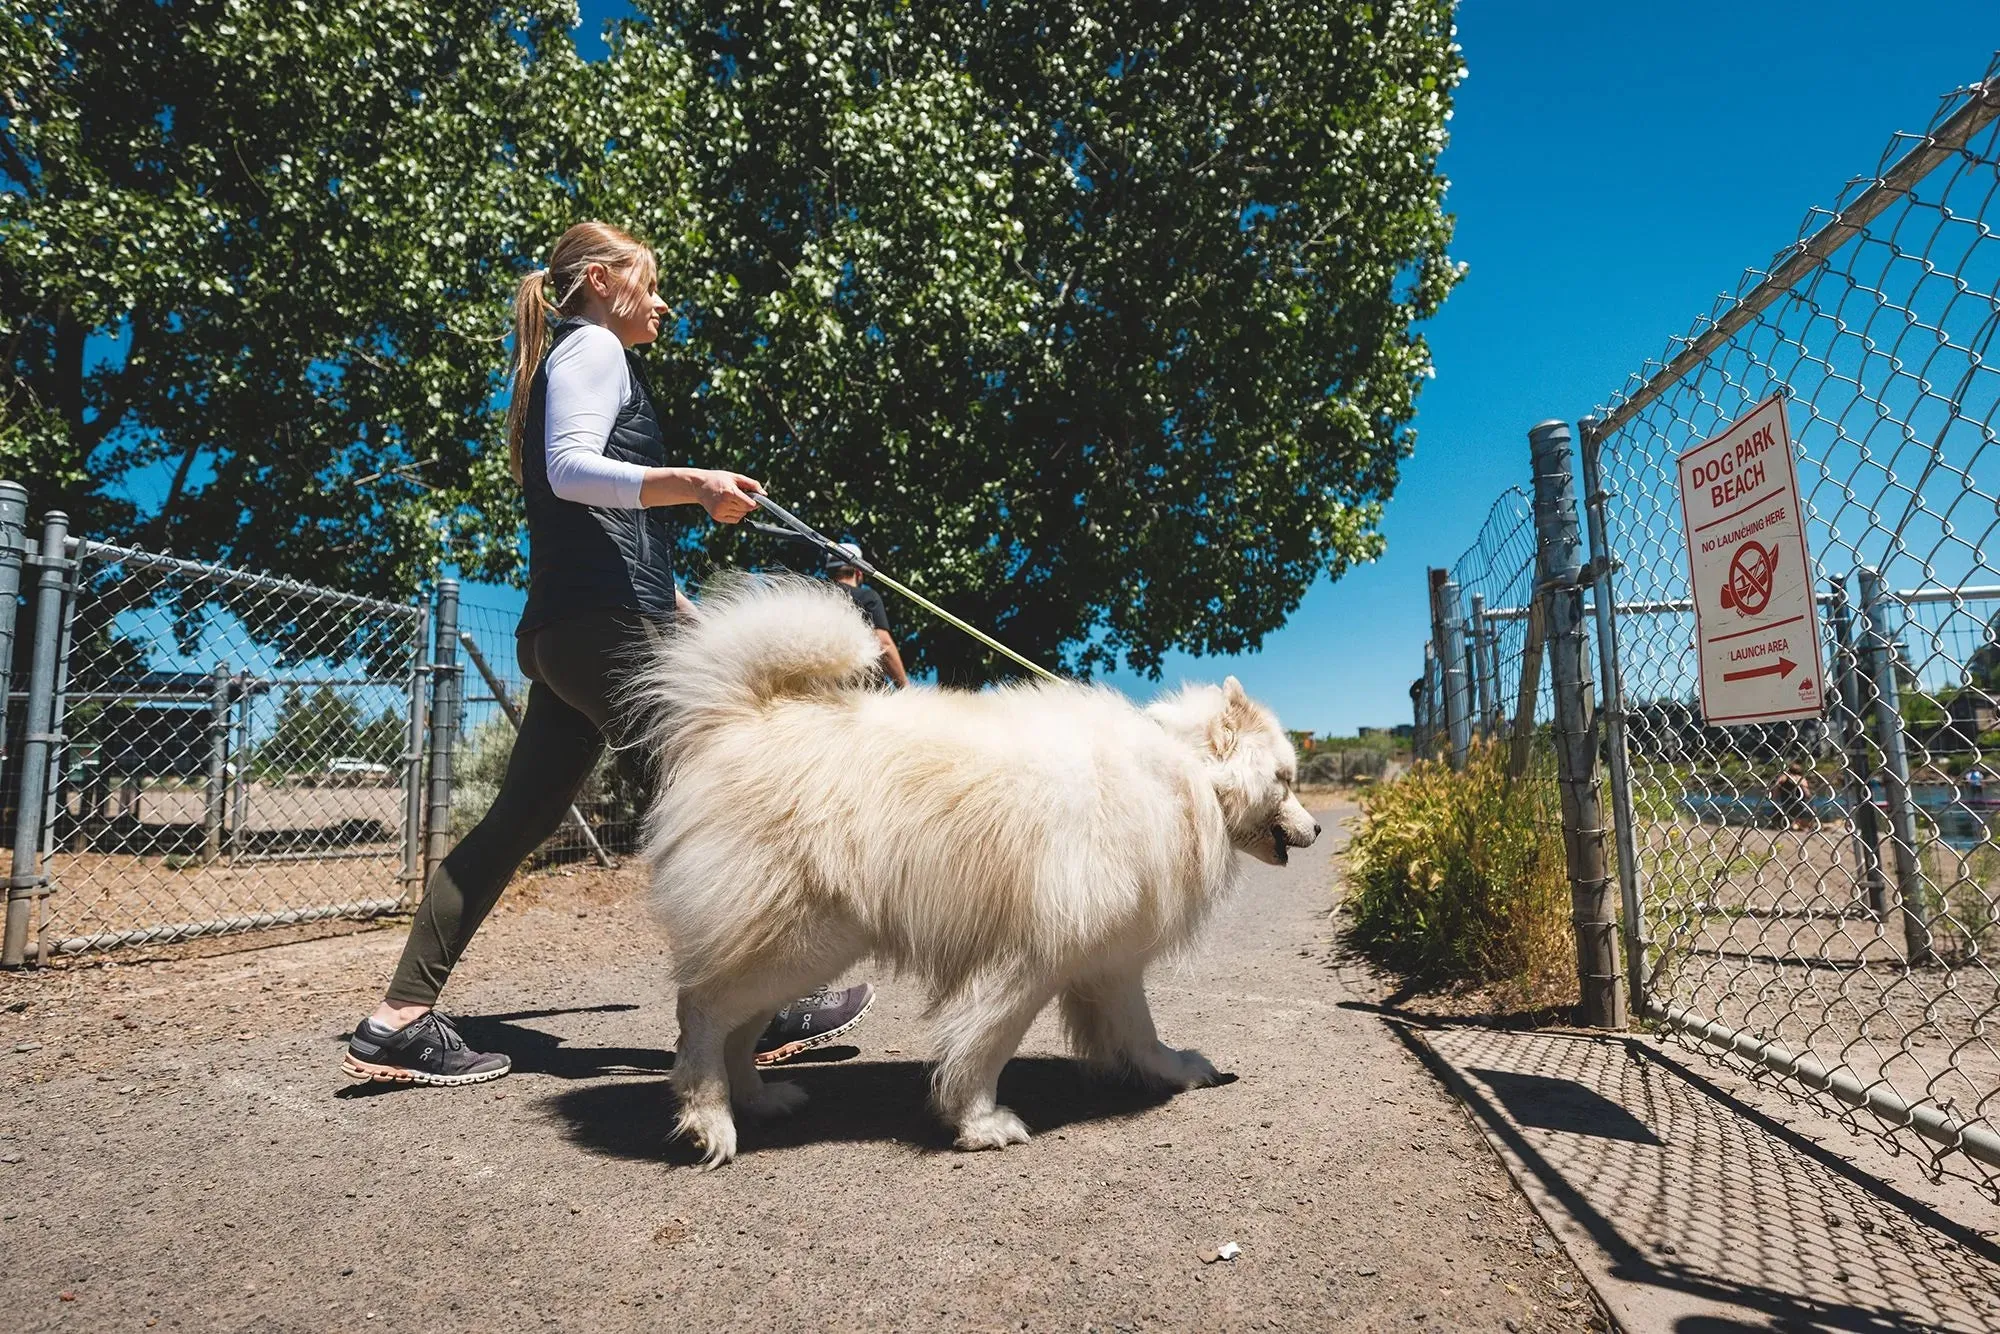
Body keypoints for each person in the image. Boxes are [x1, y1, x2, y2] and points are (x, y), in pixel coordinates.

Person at [343, 221, 870, 1086]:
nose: (662, 303)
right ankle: (755, 1013)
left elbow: (603, 524)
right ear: (599, 280)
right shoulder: (592, 348)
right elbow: (570, 470)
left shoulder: (573, 355)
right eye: (649, 283)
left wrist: (686, 610)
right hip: (605, 633)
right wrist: (693, 485)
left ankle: (396, 1020)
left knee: (517, 820)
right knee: (722, 808)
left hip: (567, 634)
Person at [825, 541, 910, 688]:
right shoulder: (867, 597)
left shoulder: (816, 599)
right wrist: (906, 688)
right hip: (860, 691)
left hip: (821, 690)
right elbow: (883, 644)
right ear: (859, 572)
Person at [1770, 760, 1815, 832]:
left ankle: (1789, 825)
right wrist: (1810, 798)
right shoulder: (1801, 779)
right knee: (1804, 813)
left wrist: (1774, 798)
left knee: (1787, 816)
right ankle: (1799, 825)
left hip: (1785, 803)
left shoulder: (1784, 778)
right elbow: (1806, 792)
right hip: (1799, 804)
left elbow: (1776, 788)